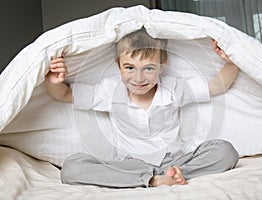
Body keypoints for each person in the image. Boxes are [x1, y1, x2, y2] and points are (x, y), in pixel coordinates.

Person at [45, 27, 240, 188]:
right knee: (71, 168)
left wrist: (232, 62)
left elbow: (215, 86)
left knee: (225, 151)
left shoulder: (173, 88)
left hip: (174, 160)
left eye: (148, 68)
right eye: (129, 68)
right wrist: (54, 81)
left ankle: (172, 175)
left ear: (162, 66)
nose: (138, 79)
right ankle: (152, 180)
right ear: (118, 65)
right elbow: (64, 94)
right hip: (131, 165)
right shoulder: (109, 91)